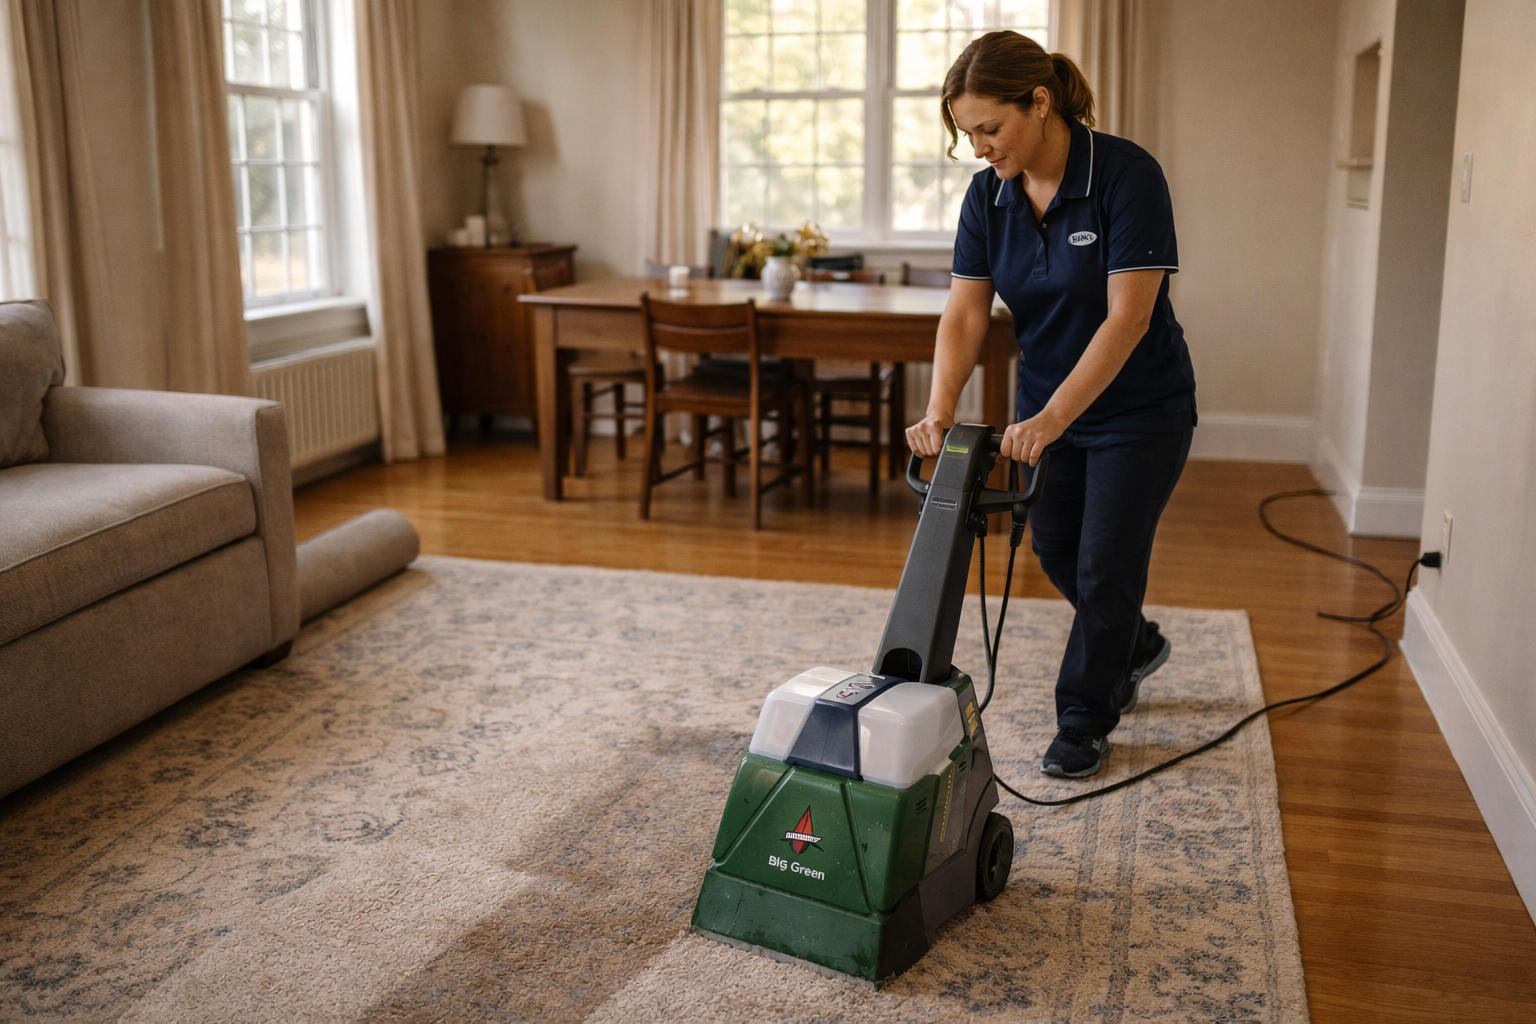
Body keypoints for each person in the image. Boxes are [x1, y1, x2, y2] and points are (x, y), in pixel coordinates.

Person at [907, 30, 1197, 779]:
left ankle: (1085, 716)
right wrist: (940, 408)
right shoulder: (988, 196)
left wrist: (1052, 420)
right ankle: (1133, 642)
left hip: (1139, 411)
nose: (977, 148)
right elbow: (967, 313)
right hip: (1046, 413)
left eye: (989, 128)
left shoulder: (1126, 176)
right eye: (966, 132)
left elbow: (1128, 318)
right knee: (1056, 550)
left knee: (1105, 566)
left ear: (1039, 102)